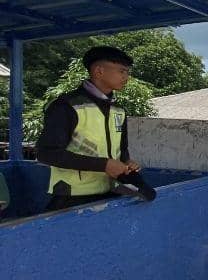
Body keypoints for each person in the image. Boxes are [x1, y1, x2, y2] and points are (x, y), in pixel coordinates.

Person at [36, 46, 142, 212]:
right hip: (72, 197)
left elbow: (122, 151)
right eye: (122, 71)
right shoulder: (66, 106)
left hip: (111, 192)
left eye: (127, 72)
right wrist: (104, 165)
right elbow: (47, 153)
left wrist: (127, 163)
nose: (126, 77)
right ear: (99, 71)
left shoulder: (119, 110)